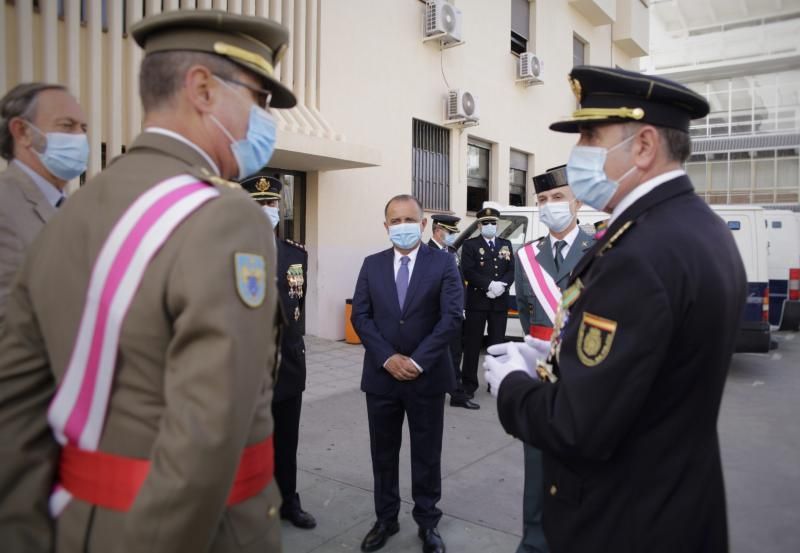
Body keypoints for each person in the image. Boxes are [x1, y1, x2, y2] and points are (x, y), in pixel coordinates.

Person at [0, 10, 297, 552]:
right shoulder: (225, 217)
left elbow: (15, 409)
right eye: (259, 98)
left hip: (76, 525)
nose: (265, 119)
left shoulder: (71, 211)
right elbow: (205, 441)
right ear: (203, 89)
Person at [484, 65, 747, 553]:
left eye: (589, 134)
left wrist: (512, 384)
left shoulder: (640, 253)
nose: (579, 152)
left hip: (625, 523)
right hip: (677, 508)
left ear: (644, 146)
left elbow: (576, 426)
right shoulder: (699, 227)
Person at [351, 194, 463, 553]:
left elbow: (451, 317)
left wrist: (416, 361)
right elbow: (361, 317)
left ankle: (427, 522)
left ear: (424, 224)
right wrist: (387, 358)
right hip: (382, 377)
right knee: (383, 453)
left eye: (409, 220)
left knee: (427, 453)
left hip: (426, 377)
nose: (402, 227)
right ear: (386, 227)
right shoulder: (371, 265)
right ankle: (385, 518)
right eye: (395, 221)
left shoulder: (444, 264)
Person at [512, 165, 594, 553]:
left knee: (588, 466)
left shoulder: (602, 249)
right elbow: (528, 317)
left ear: (577, 201)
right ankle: (534, 542)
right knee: (538, 468)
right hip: (542, 378)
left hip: (591, 376)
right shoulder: (527, 255)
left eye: (558, 197)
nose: (549, 206)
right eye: (543, 200)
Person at [240, 173, 317, 530]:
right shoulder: (232, 254)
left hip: (289, 365)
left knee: (287, 443)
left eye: (271, 203)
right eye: (258, 204)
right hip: (249, 370)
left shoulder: (295, 253)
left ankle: (289, 501)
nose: (267, 210)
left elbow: (297, 308)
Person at [0, 83, 87, 333]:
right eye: (67, 126)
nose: (80, 138)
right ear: (22, 132)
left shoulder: (70, 207)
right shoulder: (5, 204)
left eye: (83, 128)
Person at [461, 206, 514, 401]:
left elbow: (511, 270)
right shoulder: (470, 245)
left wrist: (501, 286)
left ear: (497, 224)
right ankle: (468, 384)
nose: (490, 226)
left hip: (499, 303)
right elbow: (468, 271)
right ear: (480, 225)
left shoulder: (505, 244)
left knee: (497, 344)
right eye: (486, 223)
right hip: (477, 302)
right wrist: (489, 285)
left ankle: (495, 382)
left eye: (493, 222)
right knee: (473, 344)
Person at [428, 214, 478, 410]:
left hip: (454, 313)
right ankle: (440, 391)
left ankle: (456, 394)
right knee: (437, 354)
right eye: (449, 232)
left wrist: (462, 306)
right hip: (437, 315)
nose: (450, 236)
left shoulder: (451, 251)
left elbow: (459, 281)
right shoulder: (427, 253)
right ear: (438, 231)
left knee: (455, 353)